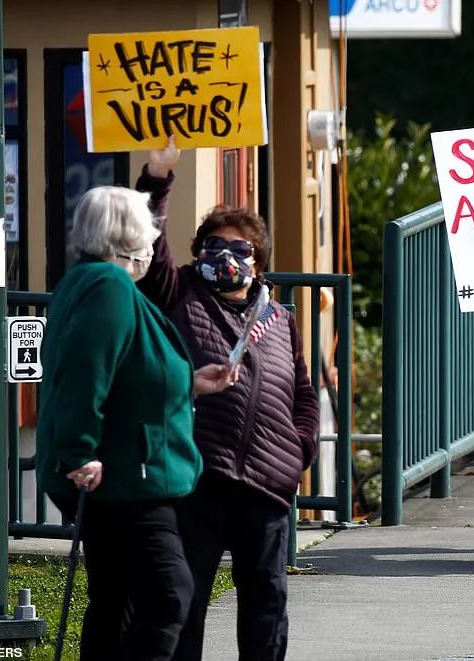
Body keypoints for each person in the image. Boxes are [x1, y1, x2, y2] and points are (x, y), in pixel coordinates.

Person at [136, 138, 320, 661]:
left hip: (268, 482)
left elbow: (303, 393)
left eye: (238, 249)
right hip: (199, 477)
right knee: (185, 599)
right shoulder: (179, 293)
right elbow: (149, 244)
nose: (225, 257)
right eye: (213, 246)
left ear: (257, 262)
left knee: (266, 601)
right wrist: (158, 177)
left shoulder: (280, 319)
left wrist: (301, 446)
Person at [36, 186, 237, 661]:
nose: (153, 239)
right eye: (148, 229)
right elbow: (87, 371)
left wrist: (190, 381)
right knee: (169, 593)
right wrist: (80, 449)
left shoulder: (91, 283)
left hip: (123, 472)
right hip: (128, 476)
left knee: (117, 599)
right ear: (130, 236)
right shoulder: (108, 287)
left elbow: (128, 371)